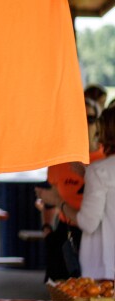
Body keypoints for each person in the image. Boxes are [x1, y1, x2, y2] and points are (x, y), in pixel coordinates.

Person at [36, 97, 104, 280]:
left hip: (97, 236)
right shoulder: (61, 159)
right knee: (60, 293)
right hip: (66, 233)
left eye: (89, 119)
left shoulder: (107, 159)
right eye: (78, 119)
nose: (84, 125)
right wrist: (47, 229)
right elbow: (50, 198)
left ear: (98, 124)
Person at [46, 106, 115, 279]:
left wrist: (59, 203)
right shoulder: (97, 172)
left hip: (104, 267)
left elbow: (88, 222)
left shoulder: (100, 171)